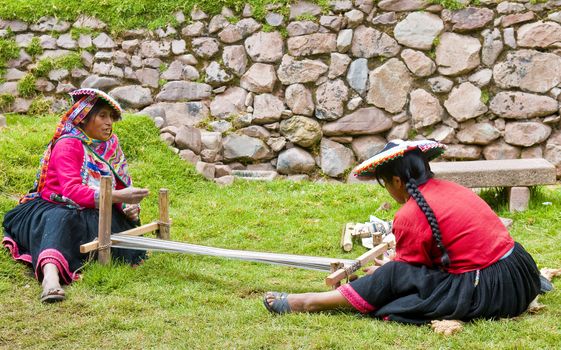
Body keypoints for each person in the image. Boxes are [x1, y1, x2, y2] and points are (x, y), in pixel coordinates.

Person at [263, 139, 544, 324]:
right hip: (520, 277)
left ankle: (309, 302)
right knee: (393, 272)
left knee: (391, 276)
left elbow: (407, 273)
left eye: (384, 183)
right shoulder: (452, 189)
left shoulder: (411, 214)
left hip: (489, 291)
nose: (386, 189)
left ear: (396, 180)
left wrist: (385, 272)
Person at [2, 88, 150, 303]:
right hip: (56, 206)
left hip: (93, 208)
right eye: (102, 116)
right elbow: (72, 191)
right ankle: (50, 278)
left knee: (107, 226)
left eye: (111, 117)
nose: (109, 122)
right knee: (59, 221)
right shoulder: (67, 144)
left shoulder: (109, 145)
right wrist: (119, 197)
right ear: (83, 118)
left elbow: (118, 183)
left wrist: (127, 208)